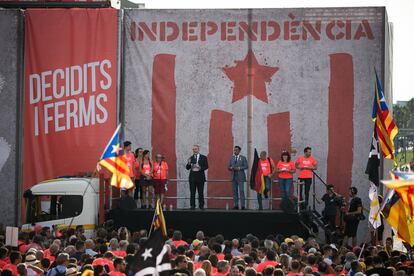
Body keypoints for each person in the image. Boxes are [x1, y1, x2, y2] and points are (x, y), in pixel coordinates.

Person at [186, 145, 209, 210]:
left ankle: (201, 206)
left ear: (198, 150)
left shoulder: (204, 157)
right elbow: (187, 168)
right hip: (192, 178)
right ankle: (192, 205)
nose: (194, 150)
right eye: (193, 149)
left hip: (200, 177)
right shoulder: (191, 158)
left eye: (195, 149)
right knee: (192, 192)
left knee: (201, 192)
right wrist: (188, 163)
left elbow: (206, 166)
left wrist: (200, 168)